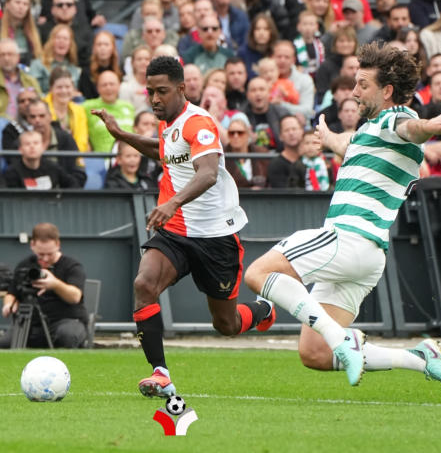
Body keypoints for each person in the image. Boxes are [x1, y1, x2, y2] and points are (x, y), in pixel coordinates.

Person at [244, 42, 441, 398]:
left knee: (257, 274)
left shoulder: (396, 118)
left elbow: (412, 128)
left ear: (387, 91)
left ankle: (341, 339)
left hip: (346, 238)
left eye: (363, 84)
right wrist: (329, 137)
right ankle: (421, 359)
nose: (354, 91)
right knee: (315, 354)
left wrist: (430, 126)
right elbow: (348, 145)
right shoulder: (372, 132)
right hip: (368, 257)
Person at [91, 56, 275, 398]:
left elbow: (208, 172)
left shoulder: (199, 123)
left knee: (226, 325)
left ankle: (263, 310)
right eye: (150, 92)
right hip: (175, 231)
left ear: (181, 88)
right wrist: (120, 134)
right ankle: (160, 374)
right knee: (144, 284)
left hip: (215, 235)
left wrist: (172, 202)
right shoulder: (167, 123)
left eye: (161, 91)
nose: (154, 99)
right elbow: (163, 151)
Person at [0, 222, 87, 348]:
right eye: (41, 255)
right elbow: (12, 293)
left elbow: (75, 297)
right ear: (32, 245)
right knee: (4, 344)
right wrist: (9, 304)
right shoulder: (25, 265)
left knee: (67, 336)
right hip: (31, 324)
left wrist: (55, 284)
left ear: (58, 244)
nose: (45, 259)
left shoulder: (72, 266)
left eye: (50, 254)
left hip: (65, 321)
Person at [4, 129, 82, 188]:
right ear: (20, 149)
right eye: (27, 144)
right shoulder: (12, 173)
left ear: (43, 147)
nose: (32, 146)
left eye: (36, 143)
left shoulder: (52, 167)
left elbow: (73, 185)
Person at [39, 0, 94, 69]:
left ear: (75, 9)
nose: (64, 8)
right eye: (60, 5)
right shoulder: (41, 31)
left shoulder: (86, 31)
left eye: (69, 5)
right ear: (52, 9)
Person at [83, 70, 135, 152]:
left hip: (130, 156)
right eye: (104, 85)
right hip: (103, 157)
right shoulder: (87, 107)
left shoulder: (129, 107)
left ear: (119, 86)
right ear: (97, 88)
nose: (108, 88)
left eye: (112, 84)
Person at [44, 66, 89, 152]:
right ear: (51, 89)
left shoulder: (79, 110)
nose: (64, 91)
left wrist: (77, 156)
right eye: (59, 87)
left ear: (73, 89)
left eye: (67, 87)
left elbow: (82, 140)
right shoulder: (42, 107)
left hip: (74, 156)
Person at [29, 24, 81, 95]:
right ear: (51, 41)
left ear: (70, 44)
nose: (61, 41)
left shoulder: (73, 68)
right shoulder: (37, 65)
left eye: (65, 39)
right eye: (58, 38)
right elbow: (33, 92)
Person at [244, 76, 289, 151]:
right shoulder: (242, 116)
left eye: (262, 89)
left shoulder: (282, 113)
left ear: (269, 93)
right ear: (247, 95)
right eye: (253, 90)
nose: (258, 93)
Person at [224, 115, 269, 188]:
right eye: (232, 133)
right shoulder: (221, 156)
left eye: (240, 133)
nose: (236, 136)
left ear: (247, 134)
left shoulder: (261, 153)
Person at [0, 39, 40, 119]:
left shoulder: (30, 81)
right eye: (2, 55)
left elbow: (39, 105)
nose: (6, 58)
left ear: (18, 57)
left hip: (27, 122)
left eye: (10, 54)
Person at [1, 0, 42, 66]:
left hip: (29, 70)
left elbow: (38, 57)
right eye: (17, 2)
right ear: (7, 5)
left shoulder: (34, 31)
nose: (21, 7)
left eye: (25, 4)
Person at [78, 31, 122, 100]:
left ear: (113, 48)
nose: (102, 48)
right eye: (99, 45)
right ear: (94, 48)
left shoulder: (120, 71)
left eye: (106, 45)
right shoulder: (86, 72)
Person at [266, 115, 306, 188]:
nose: (291, 133)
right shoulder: (275, 165)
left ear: (302, 131)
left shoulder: (312, 160)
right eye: (286, 130)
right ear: (280, 136)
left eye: (294, 129)